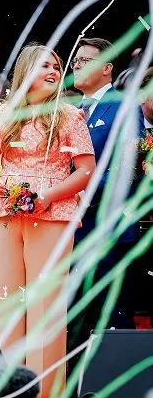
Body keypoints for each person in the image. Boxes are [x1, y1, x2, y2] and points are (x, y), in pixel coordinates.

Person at [0, 43, 96, 398]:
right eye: (44, 64)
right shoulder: (3, 112)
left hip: (53, 212)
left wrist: (49, 195)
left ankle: (44, 395)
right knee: (6, 301)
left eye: (57, 65)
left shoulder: (69, 114)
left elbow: (86, 170)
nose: (53, 70)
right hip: (5, 210)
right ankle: (9, 391)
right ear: (26, 71)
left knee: (45, 305)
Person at [69, 37, 144, 357]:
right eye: (76, 62)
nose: (76, 67)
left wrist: (80, 188)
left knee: (108, 317)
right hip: (68, 229)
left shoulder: (123, 106)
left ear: (107, 68)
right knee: (73, 319)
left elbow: (126, 171)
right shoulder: (71, 110)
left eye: (85, 61)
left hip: (105, 228)